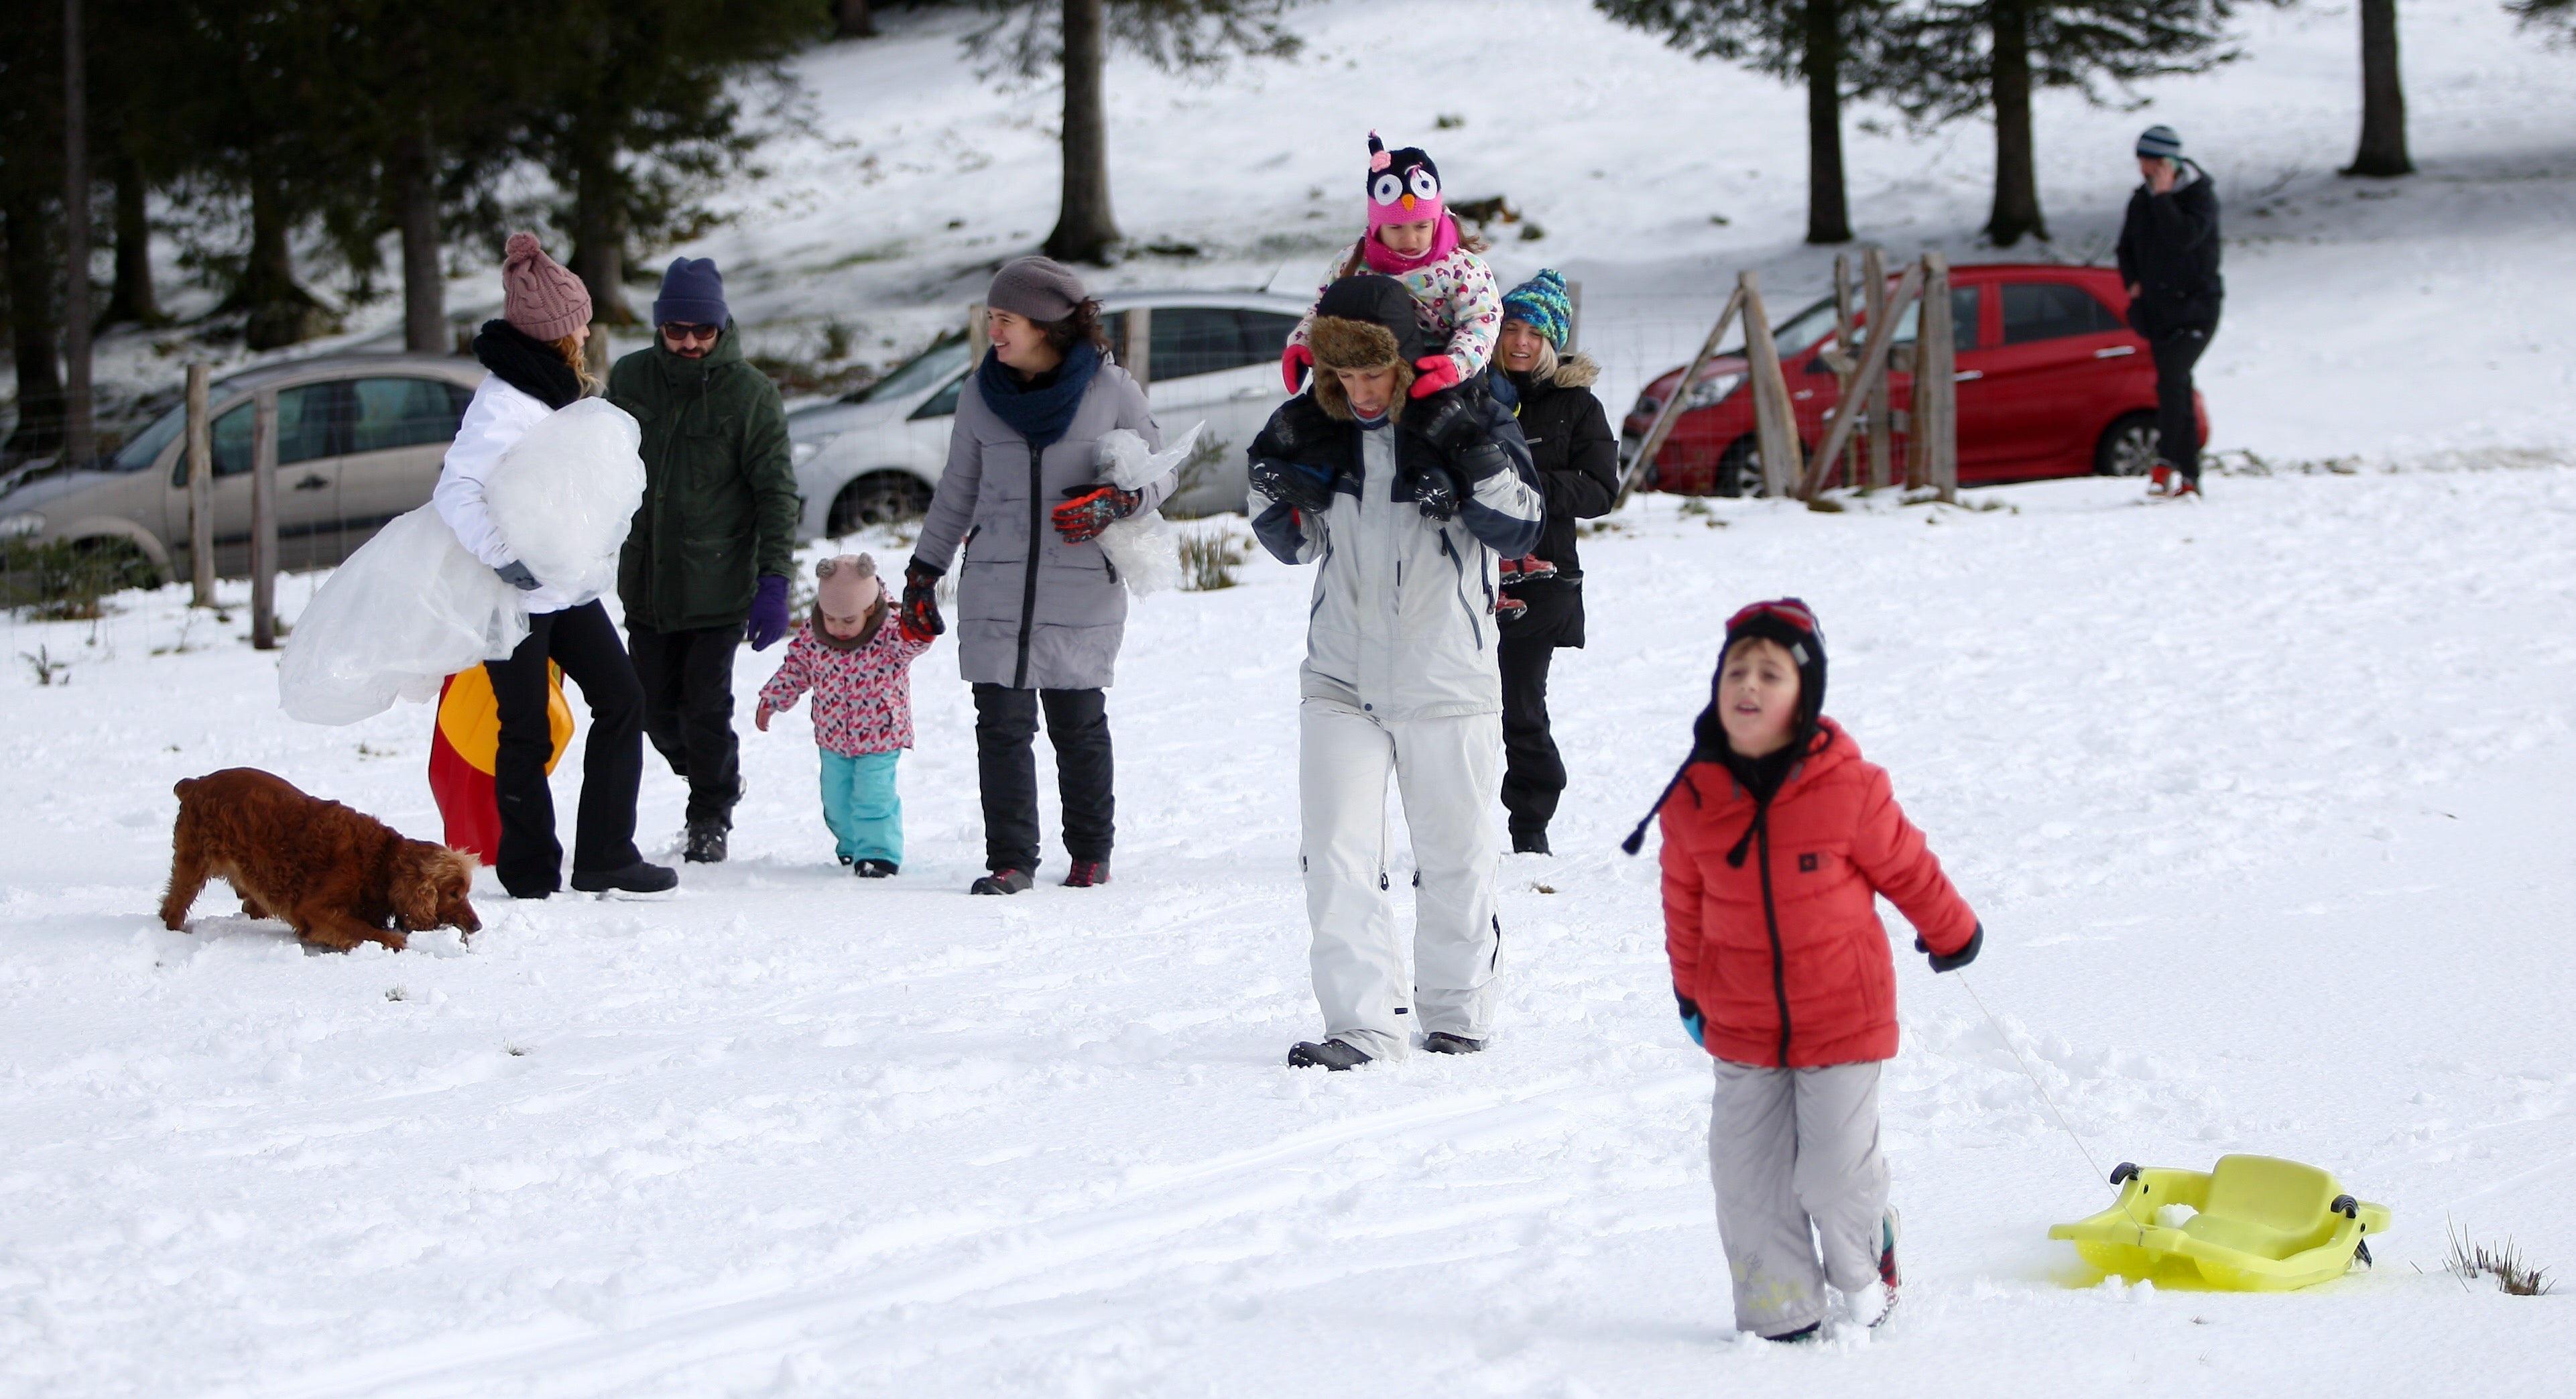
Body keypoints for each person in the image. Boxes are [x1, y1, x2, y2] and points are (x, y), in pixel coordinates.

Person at [1623, 599, 1979, 1339]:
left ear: (1804, 694)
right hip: (1741, 1019)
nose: (1747, 686)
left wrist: (1955, 931)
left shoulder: (1848, 786)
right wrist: (1690, 992)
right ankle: (1780, 1307)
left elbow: (1910, 870)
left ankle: (1865, 1264)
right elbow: (1683, 908)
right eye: (1736, 670)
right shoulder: (1694, 798)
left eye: (1771, 672)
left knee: (1832, 1175)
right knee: (1746, 1178)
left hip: (1844, 1015)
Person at [1247, 273, 1543, 1069]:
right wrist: (1271, 493)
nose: (1359, 389)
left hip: (1447, 678)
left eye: (1374, 371)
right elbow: (1296, 544)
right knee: (1338, 854)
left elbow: (1521, 524)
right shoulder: (1320, 427)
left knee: (1455, 856)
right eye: (1342, 374)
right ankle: (1362, 1026)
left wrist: (1471, 450)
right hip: (1340, 676)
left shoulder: (1472, 415)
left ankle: (1458, 1010)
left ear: (1409, 361)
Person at [902, 257, 1173, 895]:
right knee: (999, 725)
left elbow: (1163, 471)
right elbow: (956, 491)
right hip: (994, 582)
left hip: (1079, 585)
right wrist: (922, 573)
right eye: (992, 318)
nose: (993, 332)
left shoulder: (1111, 390)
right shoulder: (979, 392)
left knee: (1077, 724)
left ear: (1047, 326)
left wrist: (1119, 501)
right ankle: (1011, 860)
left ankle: (1089, 850)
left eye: (1005, 320)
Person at [434, 233, 674, 900]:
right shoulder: (504, 401)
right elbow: (455, 488)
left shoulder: (550, 387)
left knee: (622, 698)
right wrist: (506, 560)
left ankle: (606, 854)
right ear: (553, 332)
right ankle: (530, 870)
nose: (588, 330)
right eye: (579, 321)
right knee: (525, 729)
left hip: (563, 586)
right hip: (511, 593)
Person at [609, 257, 799, 865]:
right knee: (652, 707)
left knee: (705, 706)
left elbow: (775, 490)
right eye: (676, 331)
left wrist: (774, 579)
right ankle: (711, 773)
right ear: (660, 328)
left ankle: (709, 812)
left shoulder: (750, 394)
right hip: (649, 581)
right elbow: (601, 465)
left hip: (719, 582)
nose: (689, 343)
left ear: (721, 327)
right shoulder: (632, 379)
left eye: (703, 331)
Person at [1489, 269, 1617, 856]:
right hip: (1461, 577)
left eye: (1534, 333)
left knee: (1519, 704)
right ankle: (1451, 822)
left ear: (1552, 341)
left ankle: (1530, 823)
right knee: (1451, 708)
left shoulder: (1577, 405)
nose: (1519, 342)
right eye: (1510, 328)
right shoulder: (1473, 393)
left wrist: (1520, 484)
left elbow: (1598, 491)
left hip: (1538, 580)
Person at [1280, 132, 1501, 402]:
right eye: (1395, 227)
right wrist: (1303, 342)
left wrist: (1456, 364)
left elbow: (1481, 321)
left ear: (1437, 220)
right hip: (1365, 380)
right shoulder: (1352, 262)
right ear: (1376, 225)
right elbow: (1323, 310)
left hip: (1438, 378)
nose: (1409, 239)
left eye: (1422, 226)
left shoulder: (1463, 268)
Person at [754, 554, 934, 878]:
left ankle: (878, 852)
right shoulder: (816, 633)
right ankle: (853, 846)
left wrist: (922, 626)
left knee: (873, 796)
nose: (838, 628)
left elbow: (913, 644)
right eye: (831, 618)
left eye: (848, 620)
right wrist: (773, 699)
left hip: (881, 734)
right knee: (836, 802)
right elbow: (797, 668)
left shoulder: (889, 632)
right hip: (832, 735)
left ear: (869, 609)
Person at [2115, 124, 2221, 501]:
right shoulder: (2139, 200)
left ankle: (2169, 465)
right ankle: (2185, 473)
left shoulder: (2198, 197)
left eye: (2150, 163)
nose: (2143, 170)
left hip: (2196, 309)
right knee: (2173, 386)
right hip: (2157, 311)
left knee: (2173, 381)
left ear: (2168, 164)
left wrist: (2164, 200)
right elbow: (2125, 247)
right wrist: (2133, 282)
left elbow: (2184, 240)